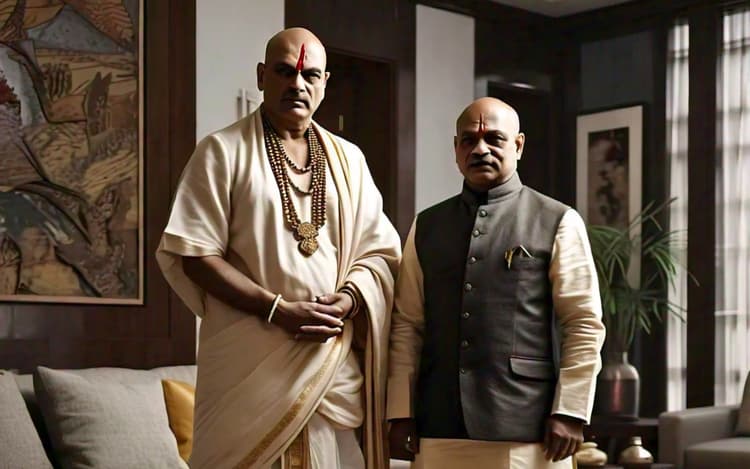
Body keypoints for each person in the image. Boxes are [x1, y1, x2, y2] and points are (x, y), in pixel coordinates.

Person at [156, 28, 401, 469]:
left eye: (310, 75)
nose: (297, 84)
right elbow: (195, 255)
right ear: (261, 76)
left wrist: (349, 299)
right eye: (285, 72)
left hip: (329, 361)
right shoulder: (221, 151)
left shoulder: (350, 160)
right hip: (249, 365)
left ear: (325, 82)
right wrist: (276, 309)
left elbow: (380, 254)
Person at [387, 97, 606, 469]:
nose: (480, 149)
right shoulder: (427, 226)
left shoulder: (558, 220)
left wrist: (571, 410)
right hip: (439, 423)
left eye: (494, 139)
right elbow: (408, 324)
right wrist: (401, 411)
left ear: (518, 145)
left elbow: (582, 323)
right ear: (456, 149)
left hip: (529, 427)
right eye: (469, 140)